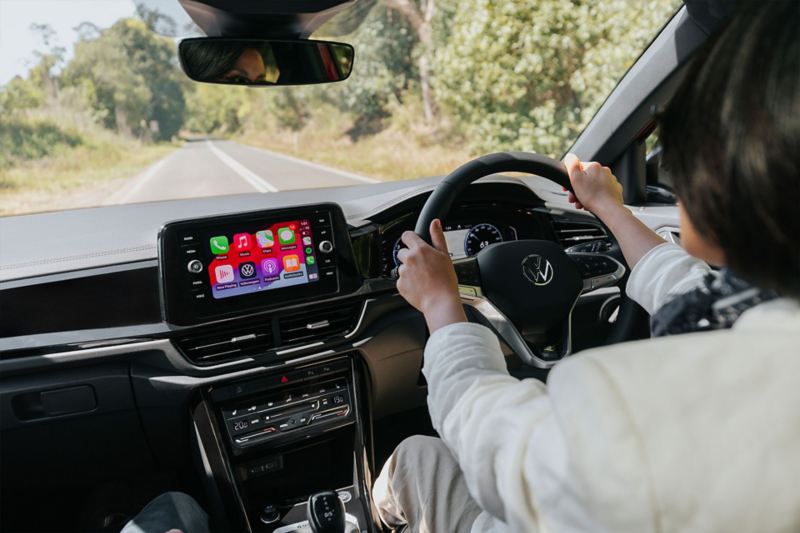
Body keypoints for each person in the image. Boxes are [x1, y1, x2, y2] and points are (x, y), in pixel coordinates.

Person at [373, 1, 800, 532]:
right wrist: (610, 208)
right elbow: (690, 288)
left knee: (414, 458)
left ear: (735, 174)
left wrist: (442, 304)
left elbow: (495, 441)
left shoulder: (633, 415)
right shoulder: (751, 310)